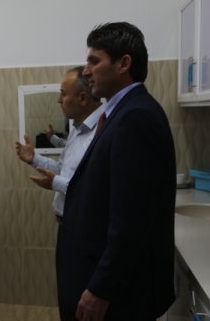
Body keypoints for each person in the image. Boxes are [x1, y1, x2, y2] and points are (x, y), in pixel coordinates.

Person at [57, 23, 176, 321]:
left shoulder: (135, 118)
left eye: (94, 61)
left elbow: (131, 221)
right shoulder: (120, 114)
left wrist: (101, 288)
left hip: (118, 295)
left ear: (124, 64)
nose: (86, 71)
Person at [15, 66, 104, 221]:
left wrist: (56, 183)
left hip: (86, 224)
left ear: (82, 98)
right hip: (66, 222)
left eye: (63, 93)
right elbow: (62, 170)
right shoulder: (77, 129)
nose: (58, 100)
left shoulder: (103, 131)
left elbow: (96, 190)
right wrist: (34, 158)